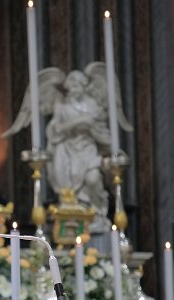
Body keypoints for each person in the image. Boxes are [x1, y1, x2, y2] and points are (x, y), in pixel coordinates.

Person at [45, 71, 111, 233]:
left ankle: (97, 214)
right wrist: (79, 121)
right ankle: (72, 219)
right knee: (67, 188)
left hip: (87, 148)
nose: (73, 88)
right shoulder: (61, 107)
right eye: (71, 85)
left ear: (84, 86)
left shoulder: (93, 106)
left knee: (92, 178)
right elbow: (55, 130)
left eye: (77, 85)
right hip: (66, 149)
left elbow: (101, 132)